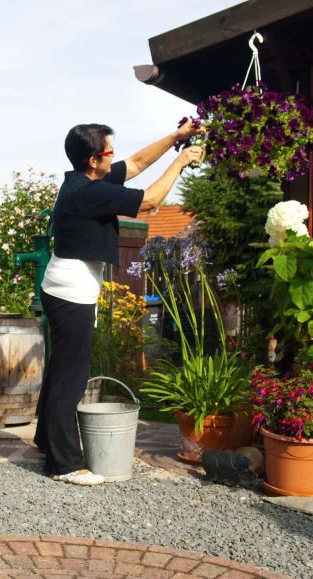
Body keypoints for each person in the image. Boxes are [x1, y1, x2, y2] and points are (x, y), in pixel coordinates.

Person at [34, 122, 204, 486]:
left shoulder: (87, 181)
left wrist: (176, 139)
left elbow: (139, 162)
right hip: (71, 291)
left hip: (65, 286)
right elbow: (151, 200)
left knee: (60, 371)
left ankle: (46, 442)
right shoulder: (88, 193)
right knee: (71, 378)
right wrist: (182, 162)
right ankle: (63, 464)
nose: (115, 155)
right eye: (109, 151)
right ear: (94, 159)